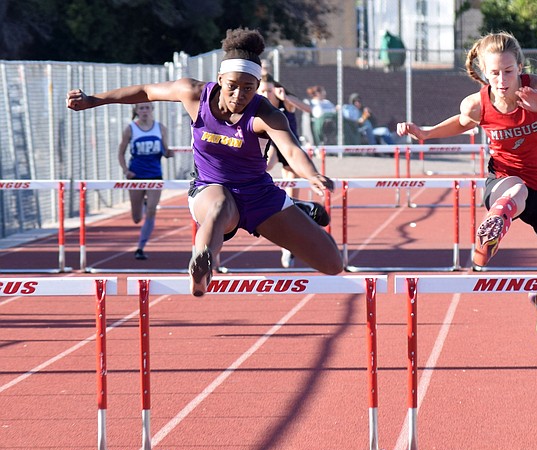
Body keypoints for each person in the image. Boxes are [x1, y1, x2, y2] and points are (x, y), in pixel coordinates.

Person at [67, 27, 343, 296]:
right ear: (220, 79)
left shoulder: (267, 114)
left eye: (248, 88)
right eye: (233, 87)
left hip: (259, 194)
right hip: (210, 187)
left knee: (332, 264)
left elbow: (291, 150)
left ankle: (297, 208)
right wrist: (93, 100)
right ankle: (202, 262)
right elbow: (146, 91)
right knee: (220, 206)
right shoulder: (193, 93)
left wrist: (312, 175)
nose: (239, 95)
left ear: (258, 87)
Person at [397, 32, 537, 343]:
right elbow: (462, 121)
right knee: (516, 190)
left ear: (520, 67)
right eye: (494, 73)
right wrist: (425, 133)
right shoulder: (477, 103)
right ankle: (493, 228)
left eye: (508, 71)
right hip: (504, 183)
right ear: (483, 72)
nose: (502, 80)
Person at [258, 73, 312, 268]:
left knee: (290, 201)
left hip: (290, 150)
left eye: (268, 91)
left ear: (275, 90)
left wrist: (286, 98)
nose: (265, 94)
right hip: (271, 147)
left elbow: (309, 109)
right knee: (263, 166)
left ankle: (289, 247)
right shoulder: (257, 107)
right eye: (262, 91)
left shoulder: (285, 104)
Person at [117, 102, 174, 260]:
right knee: (136, 218)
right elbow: (121, 153)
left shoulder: (160, 128)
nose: (144, 111)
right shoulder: (130, 129)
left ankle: (140, 248)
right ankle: (141, 205)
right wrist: (126, 171)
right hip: (136, 175)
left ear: (152, 110)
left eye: (147, 108)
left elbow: (165, 150)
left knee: (152, 210)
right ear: (136, 110)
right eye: (141, 108)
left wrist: (169, 153)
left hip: (155, 175)